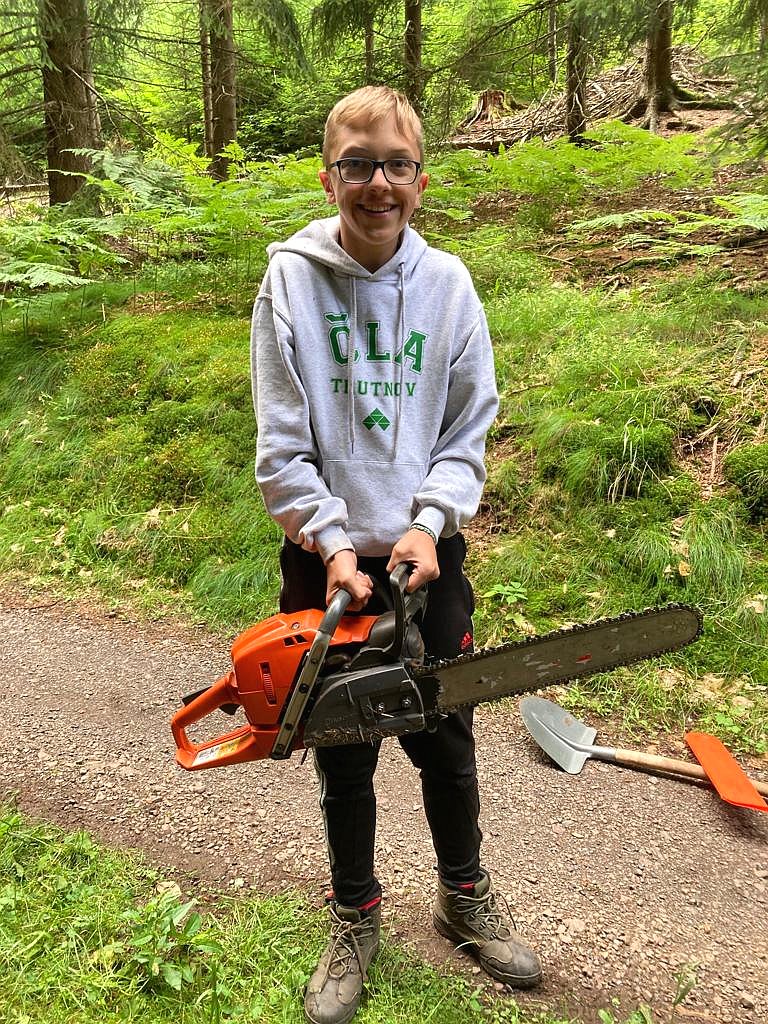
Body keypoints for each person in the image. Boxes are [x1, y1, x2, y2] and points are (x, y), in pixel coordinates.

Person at [250, 85, 542, 1024]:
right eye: (357, 164)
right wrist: (332, 539)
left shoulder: (449, 285)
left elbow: (469, 425)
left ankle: (464, 897)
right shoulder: (289, 281)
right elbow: (281, 442)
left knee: (445, 738)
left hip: (428, 555)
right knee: (343, 748)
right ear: (328, 176)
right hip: (323, 563)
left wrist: (430, 518)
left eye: (396, 165)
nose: (377, 183)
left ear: (421, 177)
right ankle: (355, 916)